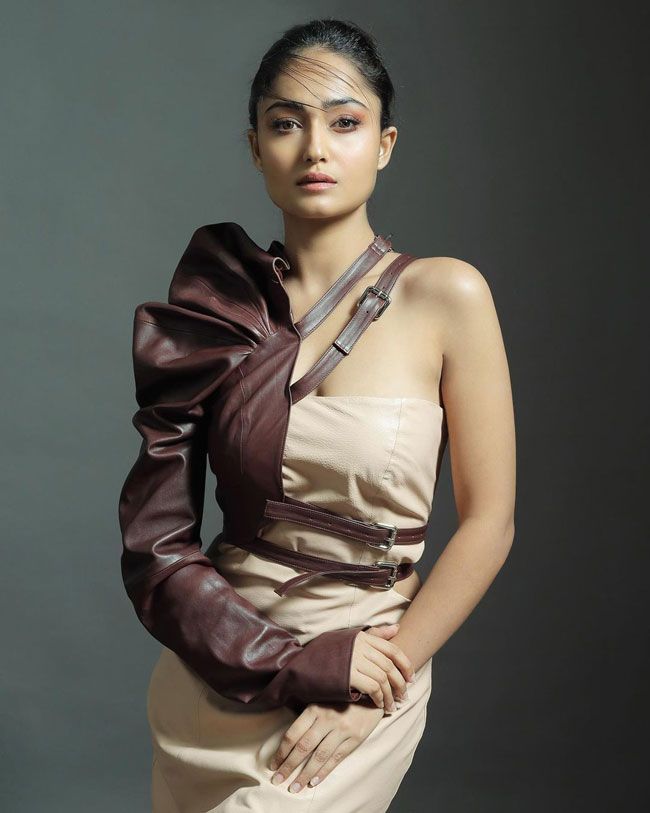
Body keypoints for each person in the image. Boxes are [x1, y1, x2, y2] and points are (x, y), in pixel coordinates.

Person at [118, 17, 516, 812]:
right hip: (222, 668)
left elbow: (490, 522)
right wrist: (292, 663)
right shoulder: (217, 308)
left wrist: (372, 682)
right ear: (255, 145)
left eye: (345, 122)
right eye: (285, 123)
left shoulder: (448, 295)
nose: (315, 149)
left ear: (386, 143)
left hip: (370, 660)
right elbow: (156, 550)